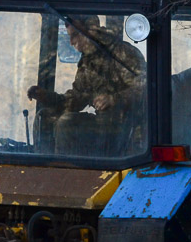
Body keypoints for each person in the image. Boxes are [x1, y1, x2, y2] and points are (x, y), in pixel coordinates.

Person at [27, 15, 146, 154]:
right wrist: (45, 97)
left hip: (126, 128)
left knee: (67, 123)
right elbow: (75, 100)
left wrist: (114, 99)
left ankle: (65, 171)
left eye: (76, 35)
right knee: (44, 118)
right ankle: (45, 168)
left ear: (91, 30)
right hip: (103, 127)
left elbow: (145, 88)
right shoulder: (88, 62)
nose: (71, 42)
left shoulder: (122, 53)